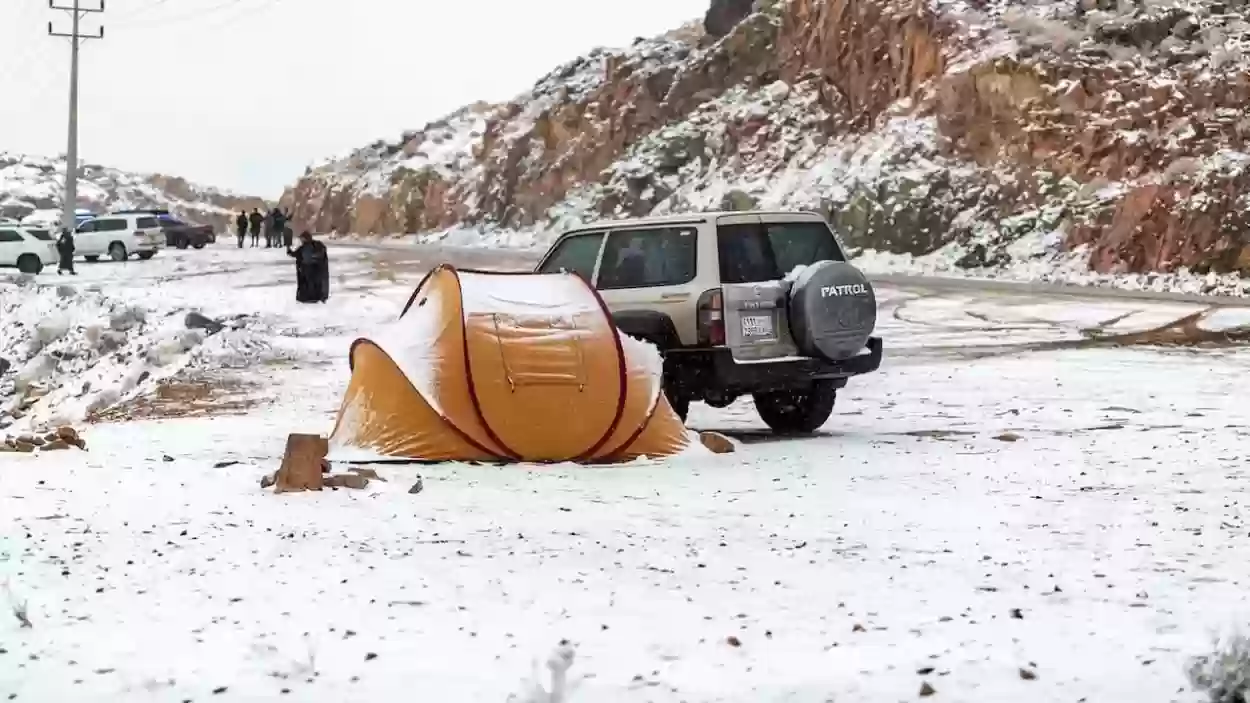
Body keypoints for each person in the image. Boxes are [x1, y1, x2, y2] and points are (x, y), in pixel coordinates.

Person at [287, 231, 328, 303]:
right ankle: (309, 297)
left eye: (302, 239)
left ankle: (313, 297)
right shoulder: (304, 247)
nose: (301, 241)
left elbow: (321, 253)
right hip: (307, 268)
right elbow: (296, 254)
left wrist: (314, 258)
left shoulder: (316, 245)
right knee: (308, 283)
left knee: (312, 283)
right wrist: (289, 251)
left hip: (314, 268)